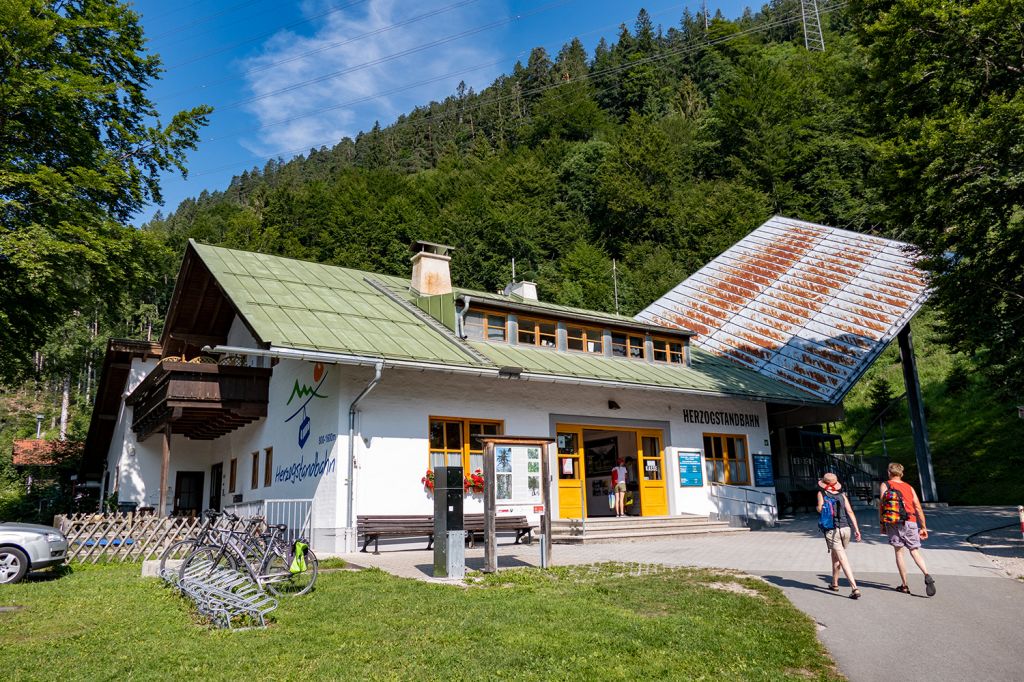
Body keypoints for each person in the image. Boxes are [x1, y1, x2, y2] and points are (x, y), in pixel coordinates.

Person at [880, 462, 936, 596]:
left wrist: (882, 523)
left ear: (889, 473)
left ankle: (904, 585)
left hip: (894, 522)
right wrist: (923, 527)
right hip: (911, 522)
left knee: (899, 553)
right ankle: (927, 574)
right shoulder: (909, 487)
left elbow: (882, 505)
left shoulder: (885, 485)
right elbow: (917, 507)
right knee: (915, 551)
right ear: (902, 474)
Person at [816, 472, 863, 599]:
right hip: (846, 529)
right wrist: (857, 529)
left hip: (832, 529)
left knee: (842, 558)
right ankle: (834, 583)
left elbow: (820, 509)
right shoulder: (842, 495)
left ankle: (854, 588)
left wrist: (819, 508)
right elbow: (850, 511)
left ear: (824, 483)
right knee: (836, 555)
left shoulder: (822, 494)